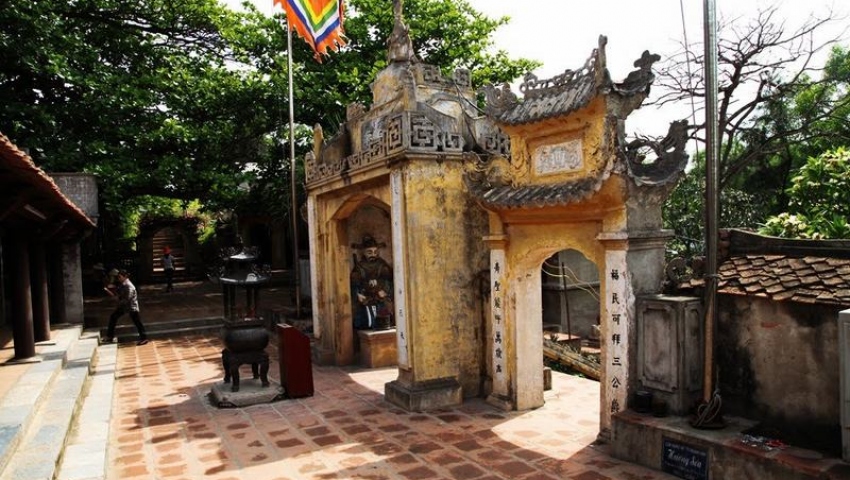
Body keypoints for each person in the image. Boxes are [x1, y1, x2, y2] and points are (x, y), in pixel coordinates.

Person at [350, 235, 394, 330]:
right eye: (369, 252)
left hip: (380, 299)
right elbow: (354, 284)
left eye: (375, 252)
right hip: (366, 299)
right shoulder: (360, 266)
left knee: (384, 322)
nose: (373, 255)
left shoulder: (382, 265)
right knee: (365, 323)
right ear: (363, 252)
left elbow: (390, 279)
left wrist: (384, 290)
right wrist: (357, 294)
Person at [104, 269, 149, 345]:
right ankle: (109, 336)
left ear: (125, 276)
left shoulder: (128, 285)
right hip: (125, 306)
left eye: (120, 277)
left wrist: (118, 300)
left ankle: (144, 338)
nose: (119, 278)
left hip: (131, 307)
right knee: (113, 317)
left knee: (137, 322)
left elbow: (127, 298)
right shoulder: (123, 284)